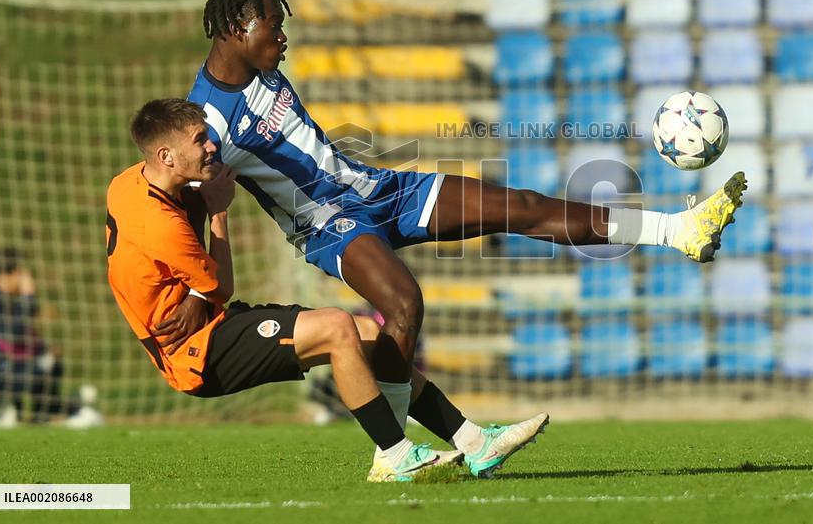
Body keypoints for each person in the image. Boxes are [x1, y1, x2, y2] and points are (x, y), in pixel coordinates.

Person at [185, 0, 746, 474]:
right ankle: (393, 455)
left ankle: (678, 230)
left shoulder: (264, 69)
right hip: (326, 223)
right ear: (236, 29)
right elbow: (181, 200)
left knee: (519, 205)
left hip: (376, 188)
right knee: (403, 304)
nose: (283, 37)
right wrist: (192, 288)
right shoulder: (206, 123)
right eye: (274, 27)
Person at [109, 98, 557, 482]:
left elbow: (167, 270)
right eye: (199, 140)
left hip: (208, 324)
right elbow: (220, 286)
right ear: (166, 156)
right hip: (196, 353)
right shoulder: (161, 225)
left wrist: (192, 294)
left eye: (208, 135)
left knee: (369, 334)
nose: (212, 145)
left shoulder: (127, 184)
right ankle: (394, 456)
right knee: (337, 327)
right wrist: (219, 214)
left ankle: (473, 441)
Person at [0, 248, 102, 428]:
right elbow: (10, 336)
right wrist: (27, 297)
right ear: (7, 274)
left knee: (47, 361)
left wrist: (44, 352)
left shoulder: (0, 300)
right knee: (37, 366)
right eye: (21, 274)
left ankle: (47, 412)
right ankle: (55, 412)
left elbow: (20, 339)